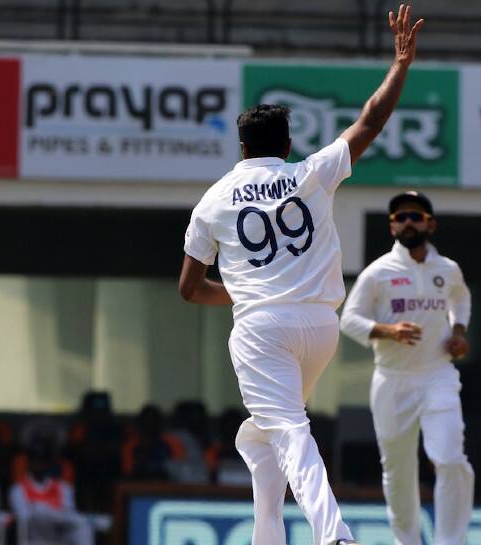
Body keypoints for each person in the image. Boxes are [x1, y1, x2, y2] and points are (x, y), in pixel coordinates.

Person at [178, 5, 424, 544]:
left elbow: (190, 289)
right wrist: (400, 63)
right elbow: (370, 121)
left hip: (261, 329)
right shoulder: (310, 174)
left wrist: (244, 293)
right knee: (267, 439)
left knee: (288, 430)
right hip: (320, 329)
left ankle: (332, 534)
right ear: (287, 146)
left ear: (241, 149)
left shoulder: (213, 200)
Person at [339, 191, 474, 545]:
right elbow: (348, 320)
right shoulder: (378, 272)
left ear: (430, 223)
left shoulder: (448, 270)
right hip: (392, 380)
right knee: (398, 471)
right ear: (391, 226)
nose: (408, 222)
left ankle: (450, 541)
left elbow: (460, 299)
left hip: (437, 374)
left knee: (449, 458)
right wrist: (388, 331)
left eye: (415, 216)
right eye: (400, 217)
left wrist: (458, 331)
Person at [9, 440, 94, 545]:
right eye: (35, 460)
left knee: (83, 524)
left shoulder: (63, 487)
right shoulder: (18, 489)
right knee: (40, 510)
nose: (38, 464)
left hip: (60, 535)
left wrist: (48, 511)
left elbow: (69, 514)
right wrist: (45, 509)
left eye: (42, 461)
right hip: (35, 538)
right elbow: (24, 516)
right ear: (29, 462)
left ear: (48, 463)